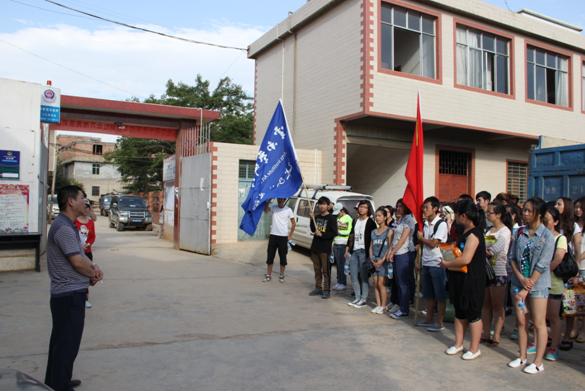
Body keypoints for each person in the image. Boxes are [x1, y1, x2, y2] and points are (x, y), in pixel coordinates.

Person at [45, 186, 103, 391]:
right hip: (68, 295)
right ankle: (59, 385)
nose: (85, 202)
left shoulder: (67, 225)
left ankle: (57, 380)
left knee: (63, 341)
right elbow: (77, 261)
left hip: (70, 292)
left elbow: (81, 258)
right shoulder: (63, 228)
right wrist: (94, 272)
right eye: (82, 198)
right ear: (70, 201)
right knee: (66, 342)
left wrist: (91, 271)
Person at [508, 197, 554, 374]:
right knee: (521, 321)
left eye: (529, 211)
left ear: (539, 214)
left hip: (537, 286)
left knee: (538, 323)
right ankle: (522, 356)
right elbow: (512, 257)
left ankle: (538, 362)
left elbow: (542, 265)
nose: (525, 213)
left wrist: (527, 287)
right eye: (524, 210)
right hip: (518, 283)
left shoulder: (546, 236)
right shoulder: (519, 232)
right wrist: (520, 278)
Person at [441, 199, 486, 360]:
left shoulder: (474, 234)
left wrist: (446, 263)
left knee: (473, 314)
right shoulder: (464, 233)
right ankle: (458, 344)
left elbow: (466, 259)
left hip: (472, 281)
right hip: (459, 279)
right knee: (460, 313)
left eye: (457, 215)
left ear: (464, 216)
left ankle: (474, 348)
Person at [481, 203, 512, 345]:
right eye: (487, 212)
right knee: (486, 305)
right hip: (486, 271)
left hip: (499, 271)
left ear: (498, 215)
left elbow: (497, 248)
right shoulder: (488, 230)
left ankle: (497, 335)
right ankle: (486, 333)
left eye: (490, 212)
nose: (488, 215)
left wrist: (486, 251)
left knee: (498, 306)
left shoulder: (505, 231)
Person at [416, 196, 449, 331]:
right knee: (428, 294)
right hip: (426, 263)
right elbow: (423, 246)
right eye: (423, 207)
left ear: (435, 209)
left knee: (439, 294)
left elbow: (434, 243)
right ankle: (429, 319)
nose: (424, 210)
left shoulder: (441, 224)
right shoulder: (424, 224)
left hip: (438, 263)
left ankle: (439, 322)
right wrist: (418, 260)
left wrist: (421, 238)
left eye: (427, 207)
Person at [542, 206, 566, 361]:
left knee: (553, 316)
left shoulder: (560, 238)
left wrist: (541, 273)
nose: (544, 222)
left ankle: (554, 347)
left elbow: (558, 259)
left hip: (554, 282)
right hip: (540, 282)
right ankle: (539, 343)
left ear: (556, 222)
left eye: (547, 219)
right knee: (539, 316)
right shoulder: (540, 235)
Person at [346, 200, 376, 308]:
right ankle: (357, 297)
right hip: (354, 251)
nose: (361, 208)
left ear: (368, 210)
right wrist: (347, 248)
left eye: (364, 207)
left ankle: (363, 299)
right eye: (360, 206)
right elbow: (351, 235)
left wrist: (371, 254)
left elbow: (373, 239)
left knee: (363, 277)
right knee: (353, 276)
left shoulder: (371, 222)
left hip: (364, 252)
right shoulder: (355, 220)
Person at [387, 199, 414, 319]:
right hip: (396, 253)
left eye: (401, 206)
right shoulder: (400, 219)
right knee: (397, 282)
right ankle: (399, 305)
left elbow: (403, 238)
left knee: (403, 283)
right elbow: (393, 237)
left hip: (404, 253)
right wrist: (390, 251)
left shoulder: (409, 219)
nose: (398, 208)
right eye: (397, 206)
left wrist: (393, 251)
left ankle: (404, 309)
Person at [309, 196, 338, 299]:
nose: (321, 206)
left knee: (325, 271)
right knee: (317, 269)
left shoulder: (332, 218)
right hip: (315, 247)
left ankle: (326, 290)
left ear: (328, 205)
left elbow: (334, 233)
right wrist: (311, 218)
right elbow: (313, 229)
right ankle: (318, 287)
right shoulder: (316, 217)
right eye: (320, 204)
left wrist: (322, 235)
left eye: (324, 204)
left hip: (325, 249)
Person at [263, 198, 296, 283]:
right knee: (270, 257)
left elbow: (293, 223)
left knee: (283, 258)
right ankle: (268, 275)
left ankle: (281, 275)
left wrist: (290, 235)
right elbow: (266, 210)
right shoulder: (274, 208)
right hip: (273, 236)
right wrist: (267, 201)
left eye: (281, 199)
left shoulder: (288, 210)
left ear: (284, 200)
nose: (280, 200)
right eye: (278, 199)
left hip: (283, 237)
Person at [369, 207, 393, 314]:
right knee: (375, 283)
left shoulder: (389, 231)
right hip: (374, 261)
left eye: (379, 216)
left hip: (383, 262)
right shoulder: (373, 232)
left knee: (381, 283)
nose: (377, 218)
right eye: (376, 216)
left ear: (384, 217)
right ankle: (378, 305)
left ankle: (383, 305)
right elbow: (371, 246)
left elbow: (390, 247)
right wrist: (371, 258)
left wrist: (382, 260)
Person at [75, 200, 96, 309]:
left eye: (87, 208)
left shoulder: (90, 222)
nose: (85, 210)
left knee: (86, 275)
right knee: (77, 274)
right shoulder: (75, 222)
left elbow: (92, 237)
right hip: (76, 252)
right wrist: (78, 246)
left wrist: (87, 244)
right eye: (83, 208)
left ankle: (85, 298)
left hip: (87, 252)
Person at [332, 203, 352, 290]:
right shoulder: (337, 217)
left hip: (343, 243)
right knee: (338, 264)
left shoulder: (348, 218)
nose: (337, 214)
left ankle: (343, 283)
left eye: (338, 212)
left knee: (342, 264)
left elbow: (348, 231)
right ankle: (339, 281)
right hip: (336, 242)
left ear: (342, 210)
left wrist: (338, 232)